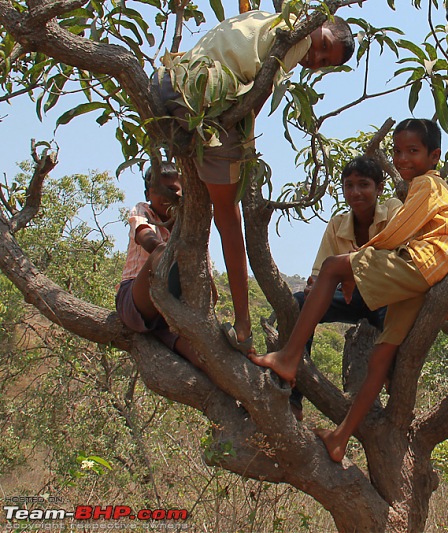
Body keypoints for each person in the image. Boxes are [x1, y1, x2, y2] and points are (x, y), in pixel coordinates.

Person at [249, 118, 448, 462]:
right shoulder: (344, 220)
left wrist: (351, 269)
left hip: (421, 263)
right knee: (381, 354)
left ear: (434, 156)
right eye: (397, 151)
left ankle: (288, 358)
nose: (402, 159)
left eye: (413, 151)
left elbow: (396, 236)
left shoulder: (426, 184)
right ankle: (340, 438)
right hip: (428, 279)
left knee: (336, 266)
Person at [154, 11, 356, 354]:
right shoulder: (298, 35)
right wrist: (245, 147)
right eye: (323, 45)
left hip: (166, 83)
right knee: (229, 217)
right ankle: (244, 324)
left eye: (323, 62)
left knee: (212, 200)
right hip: (201, 98)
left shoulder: (265, 18)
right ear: (317, 22)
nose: (315, 57)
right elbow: (256, 98)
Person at [288, 155, 403, 419]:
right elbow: (320, 272)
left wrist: (356, 266)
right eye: (348, 185)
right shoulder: (338, 224)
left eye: (363, 185)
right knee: (298, 303)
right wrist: (313, 287)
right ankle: (293, 396)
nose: (355, 192)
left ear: (379, 188)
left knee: (396, 329)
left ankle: (394, 390)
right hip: (352, 297)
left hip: (386, 298)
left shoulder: (394, 210)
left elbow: (400, 259)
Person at [115, 163, 201, 367]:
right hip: (136, 298)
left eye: (172, 190)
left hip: (168, 315)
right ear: (147, 194)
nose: (166, 196)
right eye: (158, 191)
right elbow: (148, 239)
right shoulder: (143, 211)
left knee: (205, 356)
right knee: (162, 252)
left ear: (184, 192)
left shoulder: (190, 224)